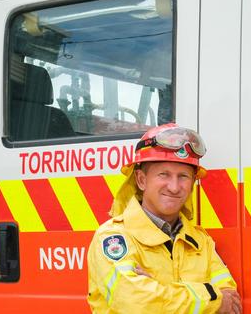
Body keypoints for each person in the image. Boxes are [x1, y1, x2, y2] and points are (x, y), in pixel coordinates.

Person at [87, 123, 242, 314]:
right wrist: (212, 300)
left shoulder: (201, 242)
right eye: (164, 175)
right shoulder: (113, 237)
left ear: (192, 183)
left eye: (183, 176)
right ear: (141, 180)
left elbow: (231, 302)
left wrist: (158, 289)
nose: (174, 187)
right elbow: (137, 304)